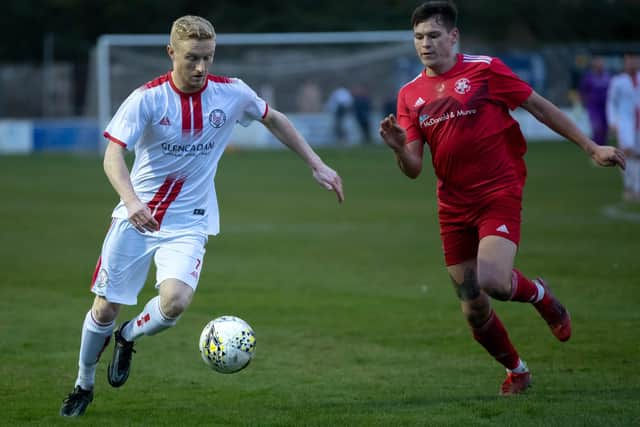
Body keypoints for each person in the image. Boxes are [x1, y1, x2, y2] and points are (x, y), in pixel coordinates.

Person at [60, 15, 344, 417]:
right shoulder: (146, 98)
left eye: (208, 58)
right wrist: (131, 200)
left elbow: (275, 119)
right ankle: (83, 383)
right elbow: (112, 156)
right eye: (192, 58)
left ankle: (128, 337)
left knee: (174, 302)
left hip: (189, 220)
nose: (200, 68)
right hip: (136, 219)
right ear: (170, 53)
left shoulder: (232, 93)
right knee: (104, 308)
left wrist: (317, 163)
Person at [379, 1, 625, 396]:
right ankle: (518, 370)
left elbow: (539, 107)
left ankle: (543, 297)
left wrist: (591, 147)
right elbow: (414, 168)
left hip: (498, 190)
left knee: (493, 280)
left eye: (434, 36)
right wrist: (397, 148)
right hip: (453, 206)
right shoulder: (409, 95)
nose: (425, 44)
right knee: (473, 307)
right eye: (419, 37)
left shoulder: (484, 69)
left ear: (453, 36)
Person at [606, 53, 640, 201]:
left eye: (635, 59)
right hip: (625, 122)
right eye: (629, 60)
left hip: (639, 123)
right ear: (625, 63)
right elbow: (611, 102)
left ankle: (637, 188)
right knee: (627, 153)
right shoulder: (618, 81)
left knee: (638, 156)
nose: (632, 63)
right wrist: (612, 121)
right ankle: (628, 186)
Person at [579, 56, 612, 145]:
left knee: (605, 129)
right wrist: (585, 102)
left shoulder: (608, 76)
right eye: (598, 64)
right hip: (594, 107)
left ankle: (604, 149)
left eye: (601, 64)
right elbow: (583, 91)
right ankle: (596, 148)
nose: (600, 66)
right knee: (597, 128)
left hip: (606, 106)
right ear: (594, 65)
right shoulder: (588, 77)